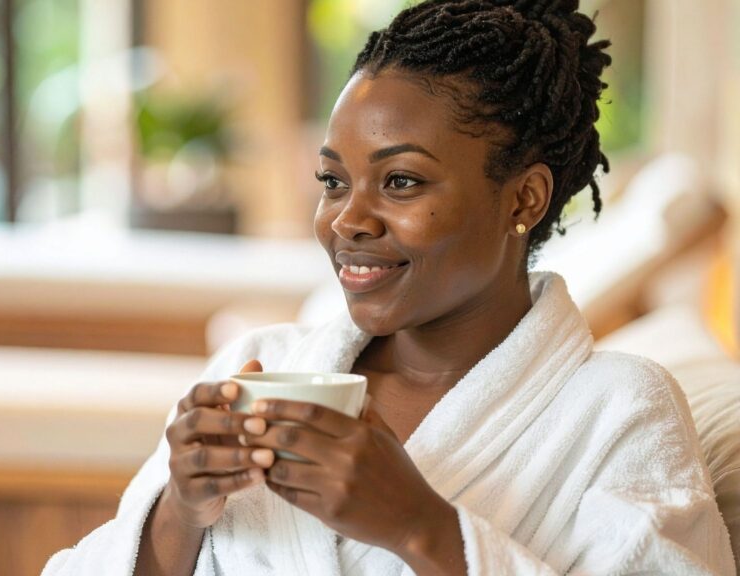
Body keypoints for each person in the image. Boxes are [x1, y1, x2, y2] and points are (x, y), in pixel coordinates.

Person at [43, 1, 736, 574]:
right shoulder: (261, 364)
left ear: (524, 198)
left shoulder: (619, 411)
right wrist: (180, 510)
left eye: (401, 181)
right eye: (333, 181)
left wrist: (419, 527)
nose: (347, 219)